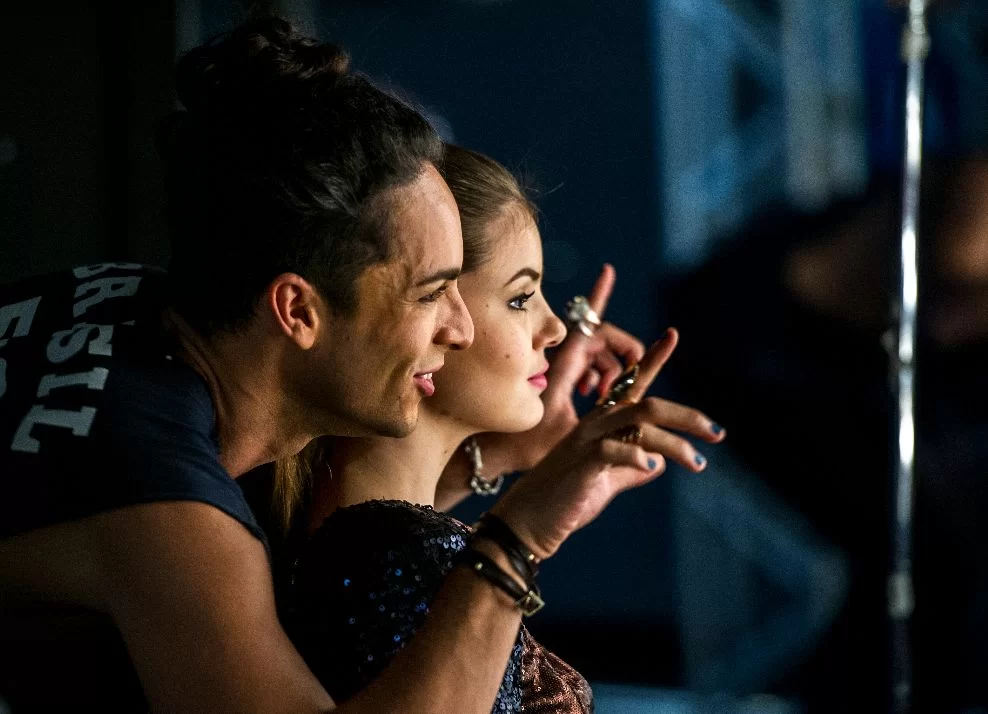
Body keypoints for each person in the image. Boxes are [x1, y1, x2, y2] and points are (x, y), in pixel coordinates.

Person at [0, 18, 697, 713]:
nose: (459, 328)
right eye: (431, 293)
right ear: (298, 311)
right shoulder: (169, 515)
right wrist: (518, 539)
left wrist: (496, 461)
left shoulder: (134, 304)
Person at [274, 145, 725, 712]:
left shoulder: (376, 540)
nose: (556, 328)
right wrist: (520, 536)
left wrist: (509, 463)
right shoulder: (393, 562)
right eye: (519, 299)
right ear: (431, 316)